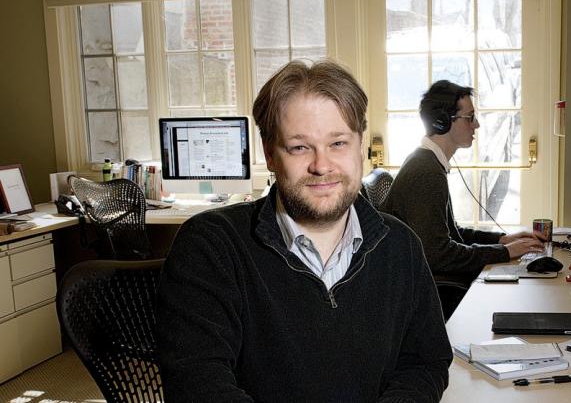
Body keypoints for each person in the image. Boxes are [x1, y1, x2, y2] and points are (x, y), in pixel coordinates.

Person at [156, 60, 452, 402]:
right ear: (269, 154)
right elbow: (199, 385)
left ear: (360, 146)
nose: (321, 165)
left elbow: (425, 363)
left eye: (338, 143)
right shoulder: (210, 247)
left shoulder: (401, 246)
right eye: (299, 147)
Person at [380, 80, 545, 286]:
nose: (476, 124)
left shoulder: (428, 162)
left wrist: (502, 240)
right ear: (443, 122)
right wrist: (504, 252)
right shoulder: (426, 173)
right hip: (421, 288)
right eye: (470, 118)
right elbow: (438, 255)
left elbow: (451, 233)